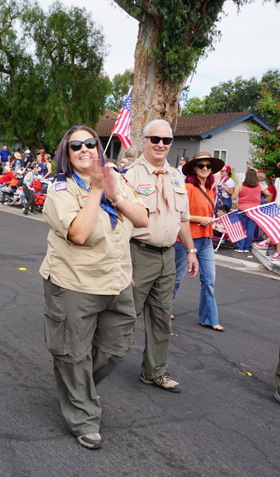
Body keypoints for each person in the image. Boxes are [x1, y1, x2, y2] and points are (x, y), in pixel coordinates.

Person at [40, 125, 148, 449]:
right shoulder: (60, 189)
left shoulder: (119, 180)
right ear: (67, 154)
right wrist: (97, 191)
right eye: (76, 146)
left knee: (117, 348)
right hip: (75, 283)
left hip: (117, 281)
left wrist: (114, 192)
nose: (85, 149)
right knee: (73, 354)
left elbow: (142, 218)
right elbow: (79, 233)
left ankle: (77, 390)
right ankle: (84, 417)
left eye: (91, 143)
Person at [124, 119, 199, 393]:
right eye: (154, 139)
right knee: (123, 314)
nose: (160, 144)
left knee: (161, 316)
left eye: (166, 141)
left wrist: (190, 251)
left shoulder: (176, 177)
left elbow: (183, 220)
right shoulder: (130, 176)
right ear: (144, 141)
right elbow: (119, 223)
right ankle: (99, 364)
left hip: (168, 256)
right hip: (138, 254)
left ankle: (154, 371)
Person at [174, 152, 225, 332]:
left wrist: (211, 220)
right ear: (193, 169)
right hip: (186, 239)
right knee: (176, 278)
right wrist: (199, 219)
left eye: (208, 166)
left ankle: (208, 318)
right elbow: (179, 214)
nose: (205, 169)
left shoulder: (212, 189)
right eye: (201, 166)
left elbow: (207, 214)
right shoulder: (187, 187)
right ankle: (162, 309)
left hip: (206, 239)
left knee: (209, 279)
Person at [232, 169, 270, 254]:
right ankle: (247, 248)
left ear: (246, 175)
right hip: (254, 210)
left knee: (241, 229)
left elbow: (234, 197)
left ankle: (240, 247)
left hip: (242, 209)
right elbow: (268, 193)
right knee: (250, 229)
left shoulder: (240, 185)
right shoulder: (259, 185)